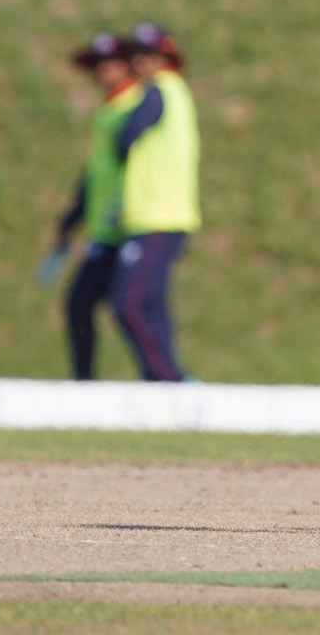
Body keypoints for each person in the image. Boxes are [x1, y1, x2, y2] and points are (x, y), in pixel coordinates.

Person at [105, 19, 202, 383]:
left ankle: (169, 378)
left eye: (149, 54)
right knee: (152, 303)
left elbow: (127, 137)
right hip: (158, 215)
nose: (141, 62)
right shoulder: (175, 93)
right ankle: (161, 377)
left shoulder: (159, 90)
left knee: (128, 302)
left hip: (158, 214)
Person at [44, 30, 144, 380]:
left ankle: (164, 378)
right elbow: (97, 173)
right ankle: (85, 382)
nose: (104, 71)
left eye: (112, 63)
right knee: (80, 306)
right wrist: (73, 218)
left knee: (130, 308)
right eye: (99, 65)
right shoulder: (108, 110)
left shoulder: (138, 106)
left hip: (129, 224)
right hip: (105, 228)